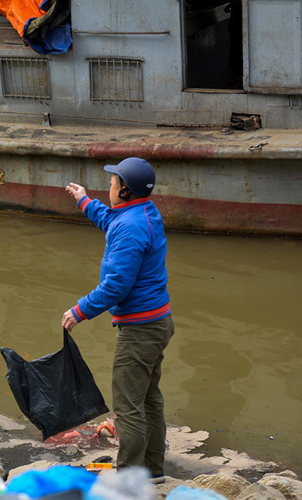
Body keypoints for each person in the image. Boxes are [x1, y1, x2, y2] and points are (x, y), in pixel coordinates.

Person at [61, 157, 174, 484]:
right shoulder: (142, 212)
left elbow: (116, 285)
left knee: (127, 408)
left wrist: (79, 310)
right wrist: (84, 200)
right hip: (158, 322)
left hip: (140, 331)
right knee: (149, 399)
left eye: (112, 183)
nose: (108, 187)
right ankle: (153, 471)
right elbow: (109, 219)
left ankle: (128, 482)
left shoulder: (130, 227)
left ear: (124, 191)